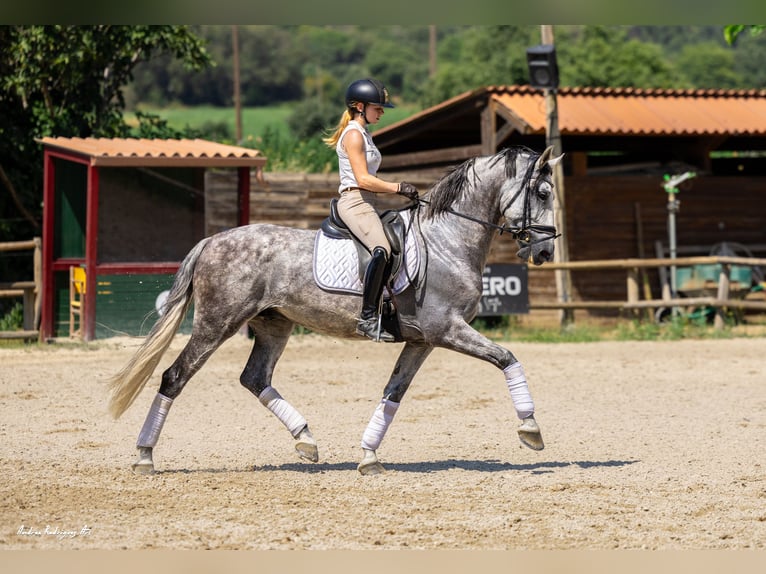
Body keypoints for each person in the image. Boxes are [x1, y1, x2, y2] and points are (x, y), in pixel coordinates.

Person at [323, 78, 419, 342]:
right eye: (378, 107)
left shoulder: (365, 133)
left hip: (369, 202)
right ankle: (367, 318)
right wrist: (398, 186)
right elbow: (363, 179)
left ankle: (388, 306)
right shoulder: (353, 134)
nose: (382, 112)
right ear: (359, 106)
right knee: (382, 249)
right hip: (354, 201)